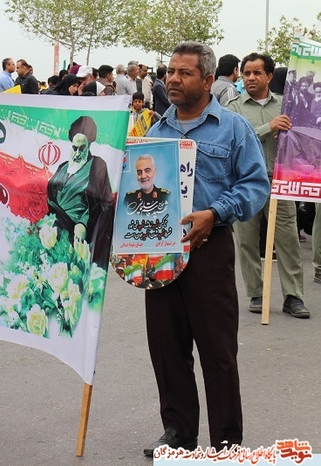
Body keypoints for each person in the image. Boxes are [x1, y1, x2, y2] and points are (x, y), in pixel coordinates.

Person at [142, 42, 269, 456]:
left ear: (208, 80)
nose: (173, 79)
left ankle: (226, 443)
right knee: (167, 347)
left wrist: (215, 213)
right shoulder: (155, 131)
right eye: (170, 72)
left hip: (209, 250)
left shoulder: (232, 128)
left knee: (218, 351)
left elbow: (255, 186)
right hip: (159, 252)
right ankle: (179, 432)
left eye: (185, 73)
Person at [226, 52, 310, 319]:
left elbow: (304, 142)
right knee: (247, 242)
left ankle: (293, 296)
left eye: (257, 73)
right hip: (244, 185)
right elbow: (233, 140)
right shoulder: (233, 108)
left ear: (269, 76)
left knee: (288, 242)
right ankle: (256, 293)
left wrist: (291, 135)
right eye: (246, 73)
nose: (250, 78)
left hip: (279, 182)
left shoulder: (286, 105)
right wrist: (268, 128)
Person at [47, 116, 113, 270]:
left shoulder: (97, 165)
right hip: (56, 234)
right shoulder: (63, 167)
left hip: (80, 237)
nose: (77, 153)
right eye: (74, 148)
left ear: (89, 145)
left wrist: (83, 223)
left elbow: (104, 203)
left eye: (81, 148)